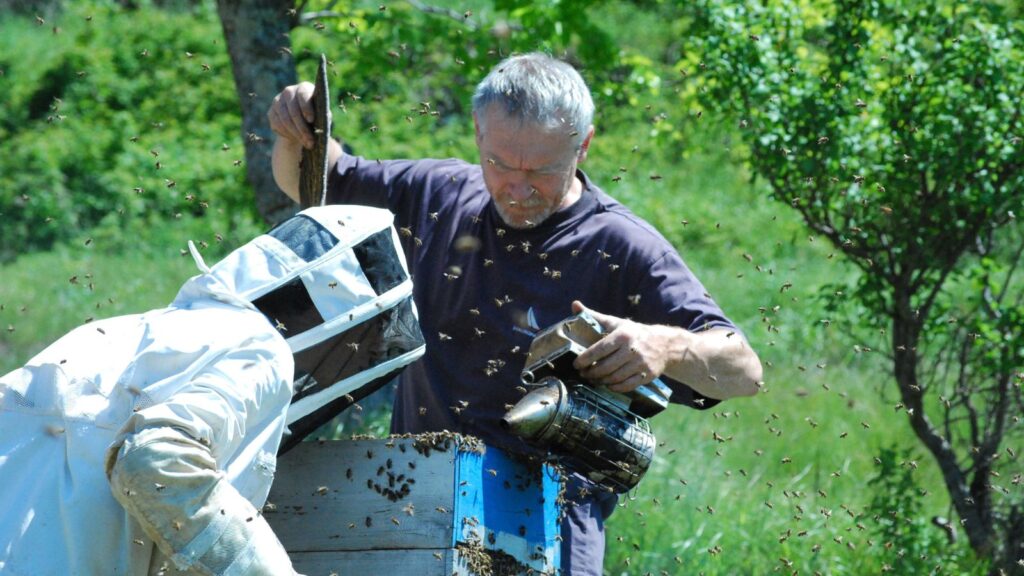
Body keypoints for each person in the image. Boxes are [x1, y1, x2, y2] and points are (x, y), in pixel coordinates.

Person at [268, 52, 763, 575]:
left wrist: (665, 346)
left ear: (584, 145)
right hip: (418, 503)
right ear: (479, 135)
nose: (519, 189)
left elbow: (745, 371)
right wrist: (297, 124)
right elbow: (315, 177)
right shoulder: (437, 194)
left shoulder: (623, 247)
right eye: (501, 165)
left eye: (542, 171)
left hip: (552, 525)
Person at [0, 205, 423, 575]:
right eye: (358, 346)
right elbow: (155, 460)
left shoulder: (141, 331)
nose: (350, 361)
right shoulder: (259, 348)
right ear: (333, 319)